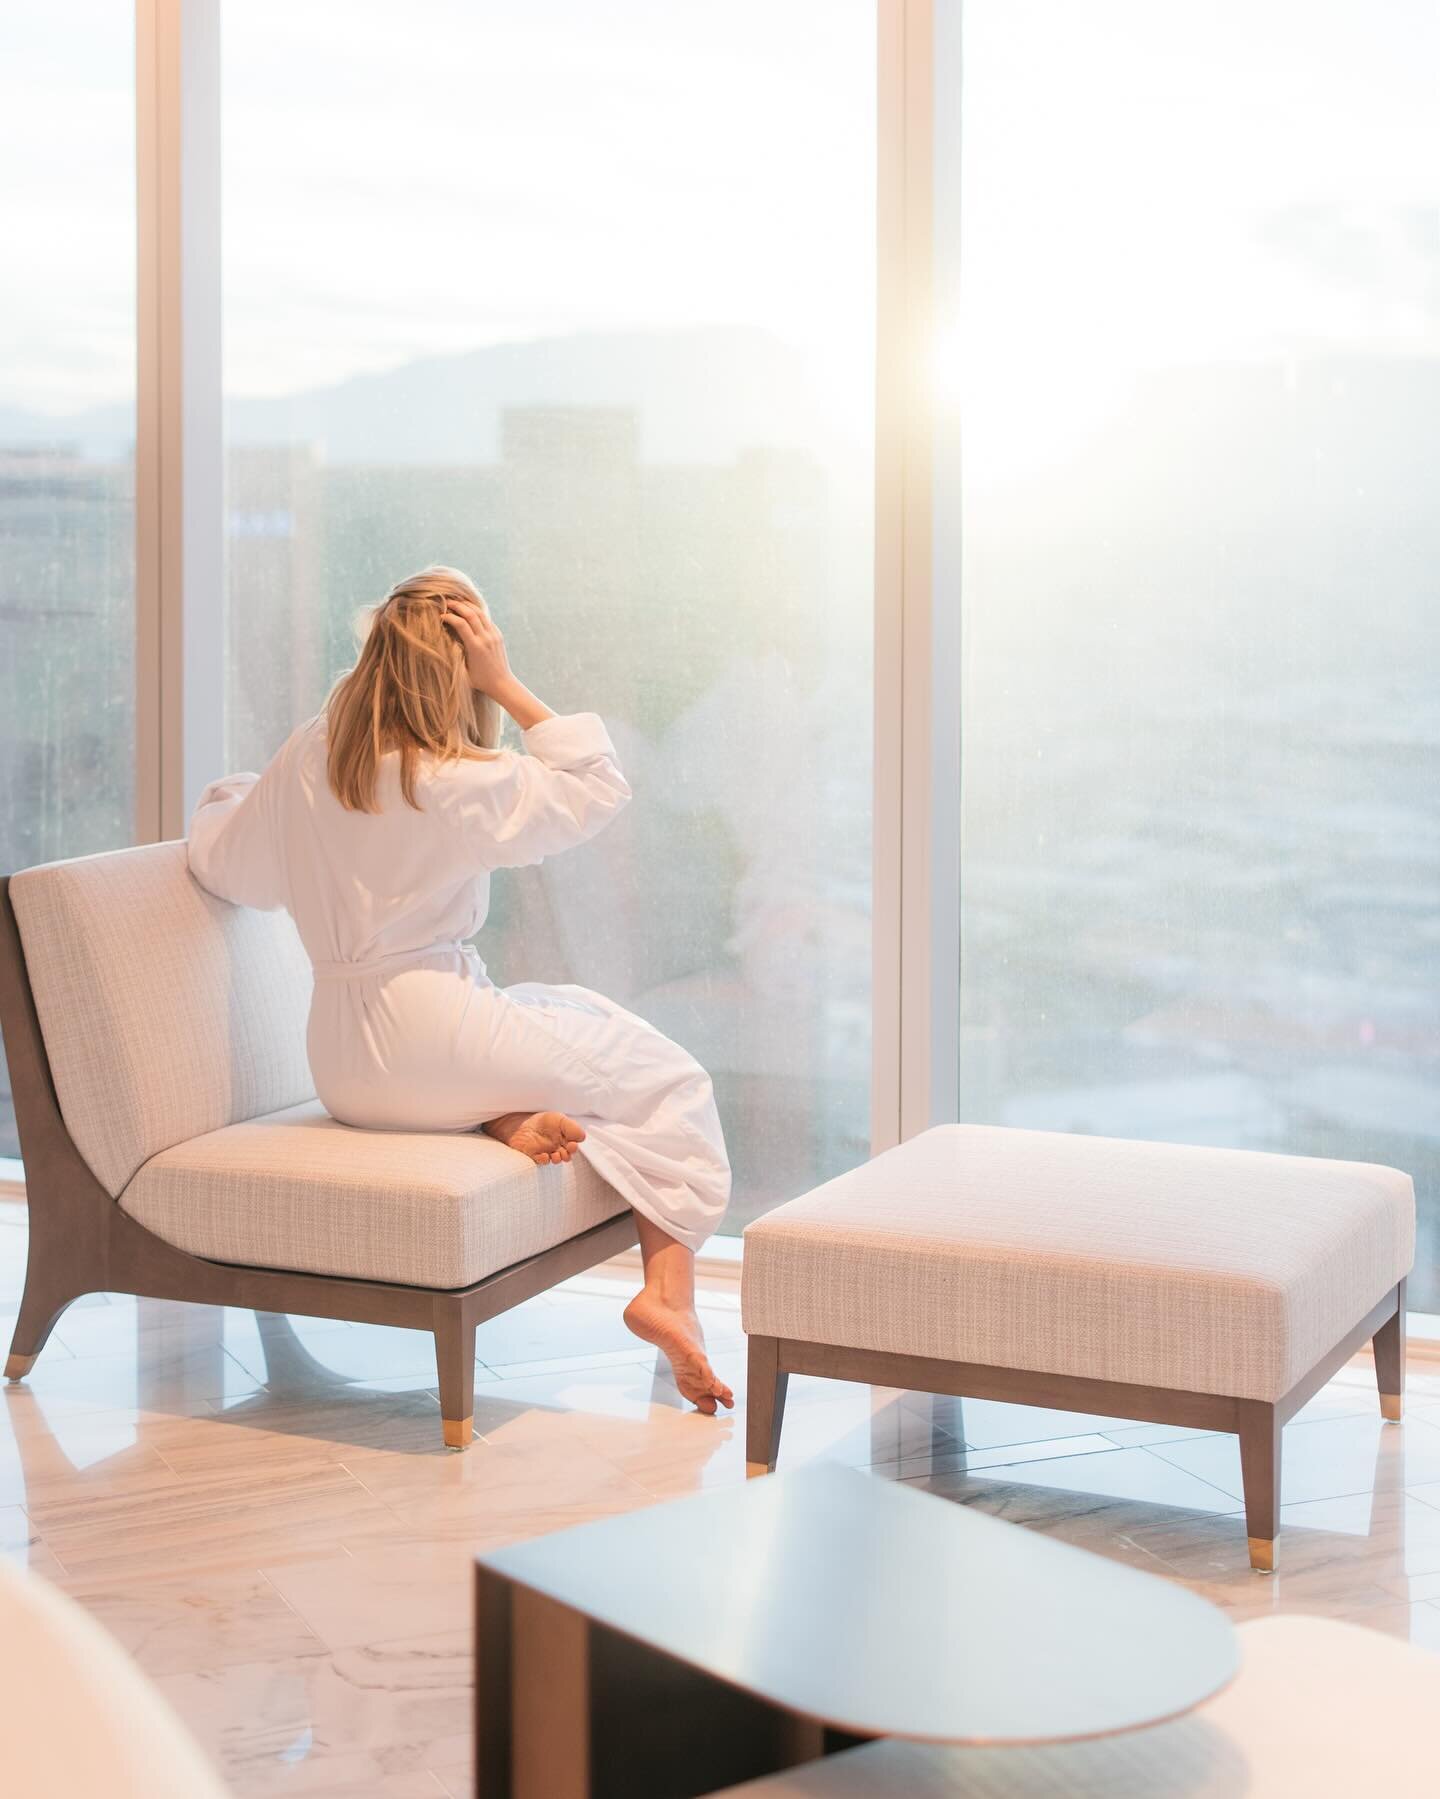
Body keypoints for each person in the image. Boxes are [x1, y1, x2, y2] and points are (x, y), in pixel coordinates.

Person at [186, 566, 733, 1413]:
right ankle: (669, 1294)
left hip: (341, 1064)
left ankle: (504, 1113)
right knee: (669, 1078)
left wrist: (235, 797)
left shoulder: (305, 759)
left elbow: (225, 865)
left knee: (565, 1010)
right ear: (458, 669)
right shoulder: (448, 775)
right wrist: (505, 680)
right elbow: (596, 785)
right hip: (429, 1033)